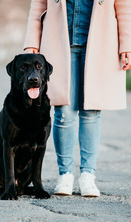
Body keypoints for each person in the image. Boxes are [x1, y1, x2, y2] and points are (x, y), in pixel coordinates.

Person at [24, 0, 131, 197]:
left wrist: (127, 44)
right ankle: (65, 175)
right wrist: (32, 42)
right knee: (63, 111)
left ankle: (88, 176)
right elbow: (38, 5)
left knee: (91, 110)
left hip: (100, 43)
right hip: (58, 42)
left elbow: (124, 6)